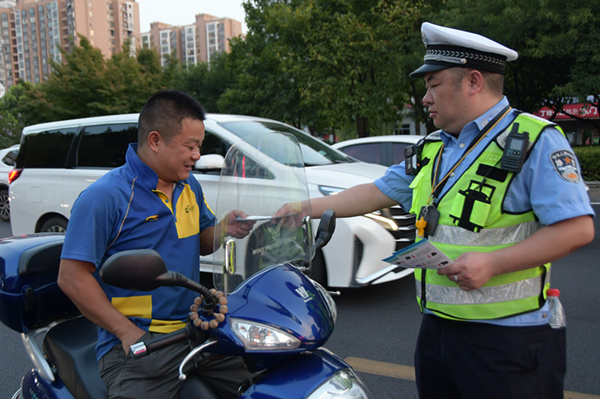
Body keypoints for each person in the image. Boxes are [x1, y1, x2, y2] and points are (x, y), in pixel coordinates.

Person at [276, 22, 594, 399]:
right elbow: (373, 192)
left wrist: (493, 264)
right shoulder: (433, 148)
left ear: (473, 81)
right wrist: (305, 207)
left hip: (509, 340)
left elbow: (577, 229)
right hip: (438, 331)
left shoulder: (534, 141)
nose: (425, 98)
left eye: (434, 84)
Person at [57, 89, 255, 399]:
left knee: (261, 385)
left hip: (195, 330)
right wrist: (127, 332)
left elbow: (200, 243)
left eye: (199, 146)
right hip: (141, 344)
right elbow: (72, 277)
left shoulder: (189, 185)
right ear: (155, 140)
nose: (197, 155)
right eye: (190, 146)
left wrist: (223, 229)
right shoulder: (106, 197)